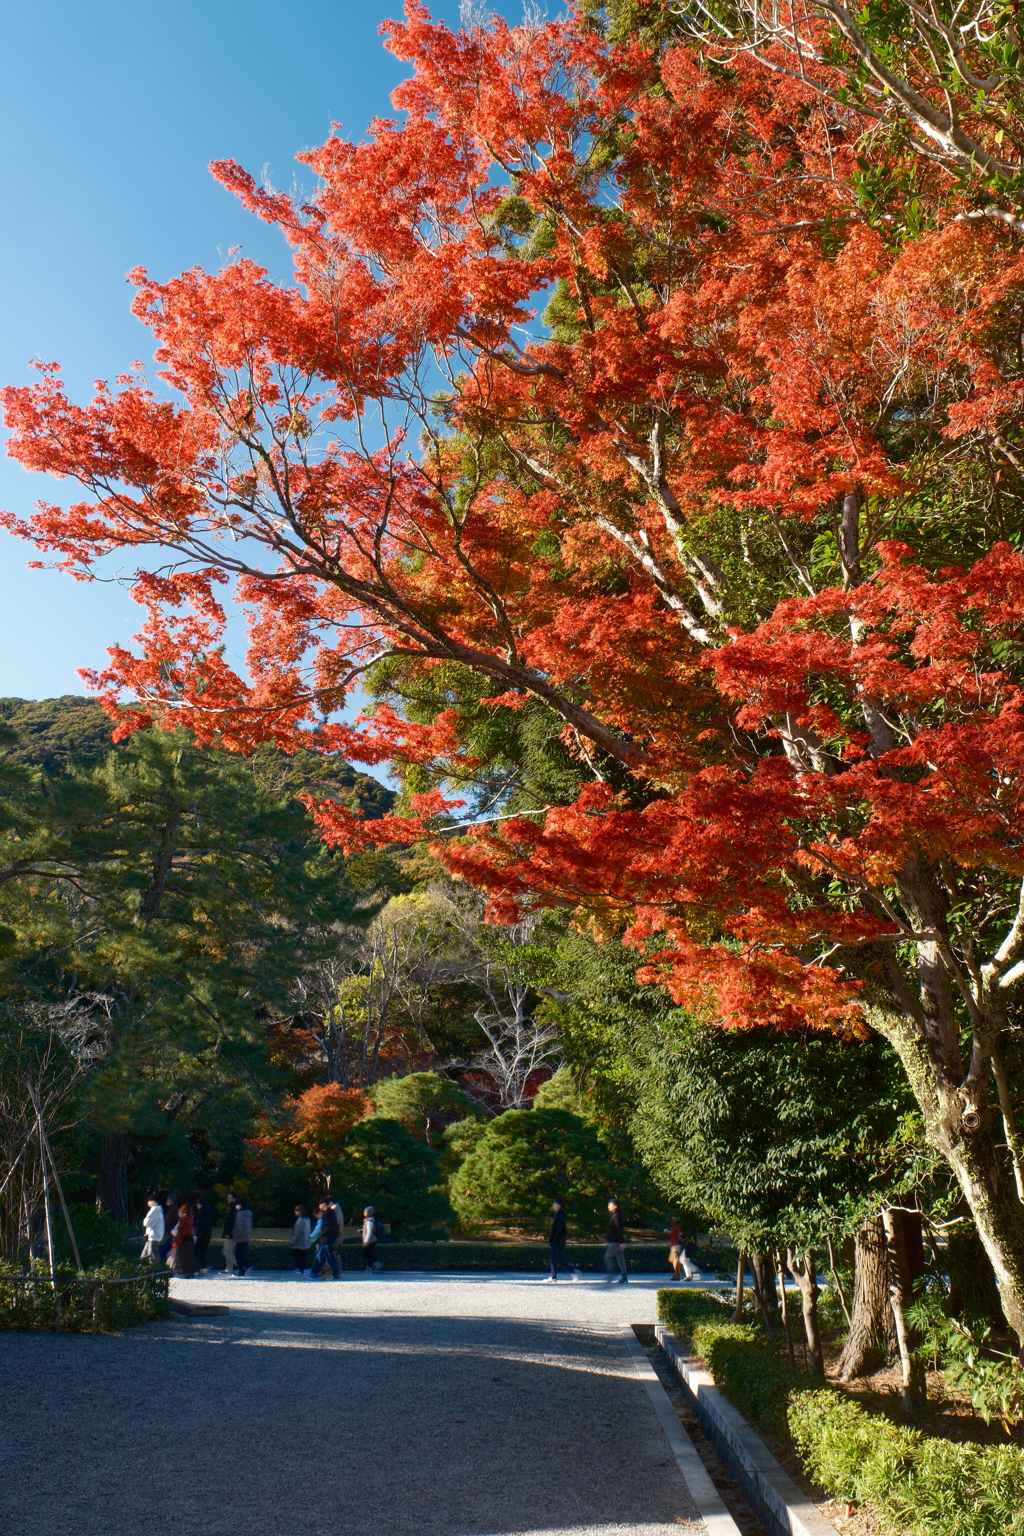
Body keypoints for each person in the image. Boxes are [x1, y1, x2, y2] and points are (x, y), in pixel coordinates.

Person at [543, 1198, 582, 1283]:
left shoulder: (560, 1216)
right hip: (558, 1240)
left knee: (557, 1259)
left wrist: (554, 1239)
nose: (553, 1206)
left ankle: (573, 1272)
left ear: (559, 1206)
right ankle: (554, 1277)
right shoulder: (559, 1215)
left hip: (559, 1241)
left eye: (555, 1204)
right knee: (553, 1259)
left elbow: (559, 1229)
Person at [309, 1198, 340, 1279]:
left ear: (324, 1204)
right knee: (320, 1257)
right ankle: (314, 1272)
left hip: (327, 1238)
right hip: (325, 1239)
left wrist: (322, 1233)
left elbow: (328, 1226)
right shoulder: (328, 1212)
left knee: (330, 1258)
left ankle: (336, 1274)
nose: (319, 1206)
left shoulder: (328, 1213)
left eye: (320, 1204)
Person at [604, 1197, 628, 1284]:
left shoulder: (616, 1216)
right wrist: (606, 1238)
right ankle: (624, 1276)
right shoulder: (616, 1215)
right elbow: (614, 1230)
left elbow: (618, 1229)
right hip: (617, 1241)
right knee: (620, 1259)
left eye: (610, 1205)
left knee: (607, 1256)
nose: (608, 1207)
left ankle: (611, 1273)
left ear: (615, 1206)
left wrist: (621, 1242)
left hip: (616, 1242)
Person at [171, 1201, 196, 1277]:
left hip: (183, 1240)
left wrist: (176, 1240)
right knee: (189, 1257)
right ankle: (190, 1272)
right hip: (190, 1239)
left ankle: (185, 1273)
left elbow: (180, 1232)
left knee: (182, 1257)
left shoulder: (183, 1221)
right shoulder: (191, 1218)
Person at [231, 1199, 253, 1277]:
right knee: (240, 1253)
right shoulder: (248, 1213)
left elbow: (239, 1226)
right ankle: (245, 1267)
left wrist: (236, 1235)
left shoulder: (240, 1214)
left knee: (238, 1254)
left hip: (240, 1237)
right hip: (246, 1236)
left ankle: (242, 1270)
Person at [193, 1195, 213, 1275]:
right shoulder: (209, 1210)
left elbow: (201, 1223)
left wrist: (196, 1234)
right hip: (207, 1234)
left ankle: (203, 1266)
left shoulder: (202, 1211)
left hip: (202, 1235)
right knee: (202, 1252)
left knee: (196, 1252)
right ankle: (203, 1268)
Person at [141, 1197, 164, 1263]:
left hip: (153, 1235)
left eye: (149, 1201)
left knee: (152, 1254)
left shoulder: (154, 1210)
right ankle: (144, 1266)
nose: (148, 1203)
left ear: (152, 1201)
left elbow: (147, 1222)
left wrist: (144, 1222)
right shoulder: (159, 1210)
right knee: (145, 1253)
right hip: (155, 1235)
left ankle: (154, 1269)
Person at [221, 1193, 239, 1274]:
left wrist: (228, 1232)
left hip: (231, 1234)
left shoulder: (233, 1208)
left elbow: (231, 1222)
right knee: (230, 1251)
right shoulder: (235, 1208)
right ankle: (229, 1268)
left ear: (234, 1199)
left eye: (230, 1198)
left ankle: (242, 1265)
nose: (228, 1199)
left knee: (226, 1251)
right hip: (234, 1233)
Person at [290, 1205, 312, 1273]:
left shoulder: (300, 1220)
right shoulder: (307, 1219)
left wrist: (293, 1241)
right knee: (303, 1255)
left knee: (298, 1256)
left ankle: (301, 1269)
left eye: (296, 1211)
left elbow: (297, 1232)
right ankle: (303, 1268)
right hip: (305, 1240)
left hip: (299, 1242)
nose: (295, 1213)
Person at [158, 1192, 178, 1264]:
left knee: (164, 1251)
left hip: (171, 1234)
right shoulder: (175, 1209)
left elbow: (167, 1221)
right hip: (172, 1233)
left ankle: (161, 1264)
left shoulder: (172, 1210)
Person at [361, 1206, 378, 1273]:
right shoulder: (368, 1221)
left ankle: (370, 1267)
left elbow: (369, 1231)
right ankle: (372, 1265)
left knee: (368, 1254)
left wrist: (366, 1241)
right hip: (371, 1239)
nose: (364, 1213)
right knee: (368, 1253)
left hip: (371, 1240)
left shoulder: (369, 1221)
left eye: (365, 1211)